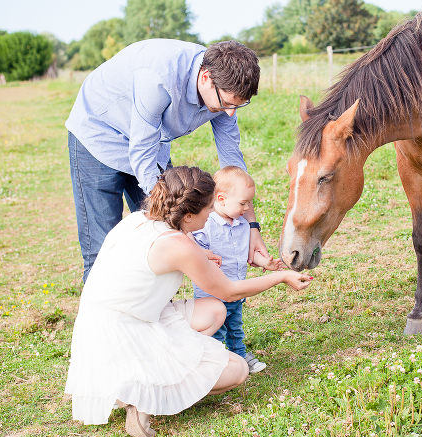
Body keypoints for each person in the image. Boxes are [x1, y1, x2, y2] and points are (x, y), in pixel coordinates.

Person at [64, 166, 312, 437]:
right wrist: (281, 276)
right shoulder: (179, 245)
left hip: (109, 322)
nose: (210, 216)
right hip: (124, 332)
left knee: (213, 311)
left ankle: (153, 377)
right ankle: (140, 395)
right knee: (237, 370)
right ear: (190, 214)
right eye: (208, 210)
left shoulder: (138, 220)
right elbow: (228, 291)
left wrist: (201, 253)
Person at [65, 39, 270, 283]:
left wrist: (251, 227)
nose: (230, 113)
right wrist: (181, 228)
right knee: (102, 249)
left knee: (164, 241)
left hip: (150, 139)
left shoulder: (224, 94)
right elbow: (141, 153)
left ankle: (150, 317)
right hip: (99, 135)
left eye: (239, 104)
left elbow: (233, 166)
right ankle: (100, 319)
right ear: (205, 77)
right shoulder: (160, 77)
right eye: (227, 103)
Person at [192, 167, 283, 374]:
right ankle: (214, 361)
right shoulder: (205, 225)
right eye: (243, 203)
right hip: (211, 293)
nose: (247, 208)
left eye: (249, 202)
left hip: (237, 289)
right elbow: (192, 250)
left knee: (235, 326)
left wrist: (265, 262)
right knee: (215, 328)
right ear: (221, 199)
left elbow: (248, 255)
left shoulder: (242, 225)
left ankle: (240, 355)